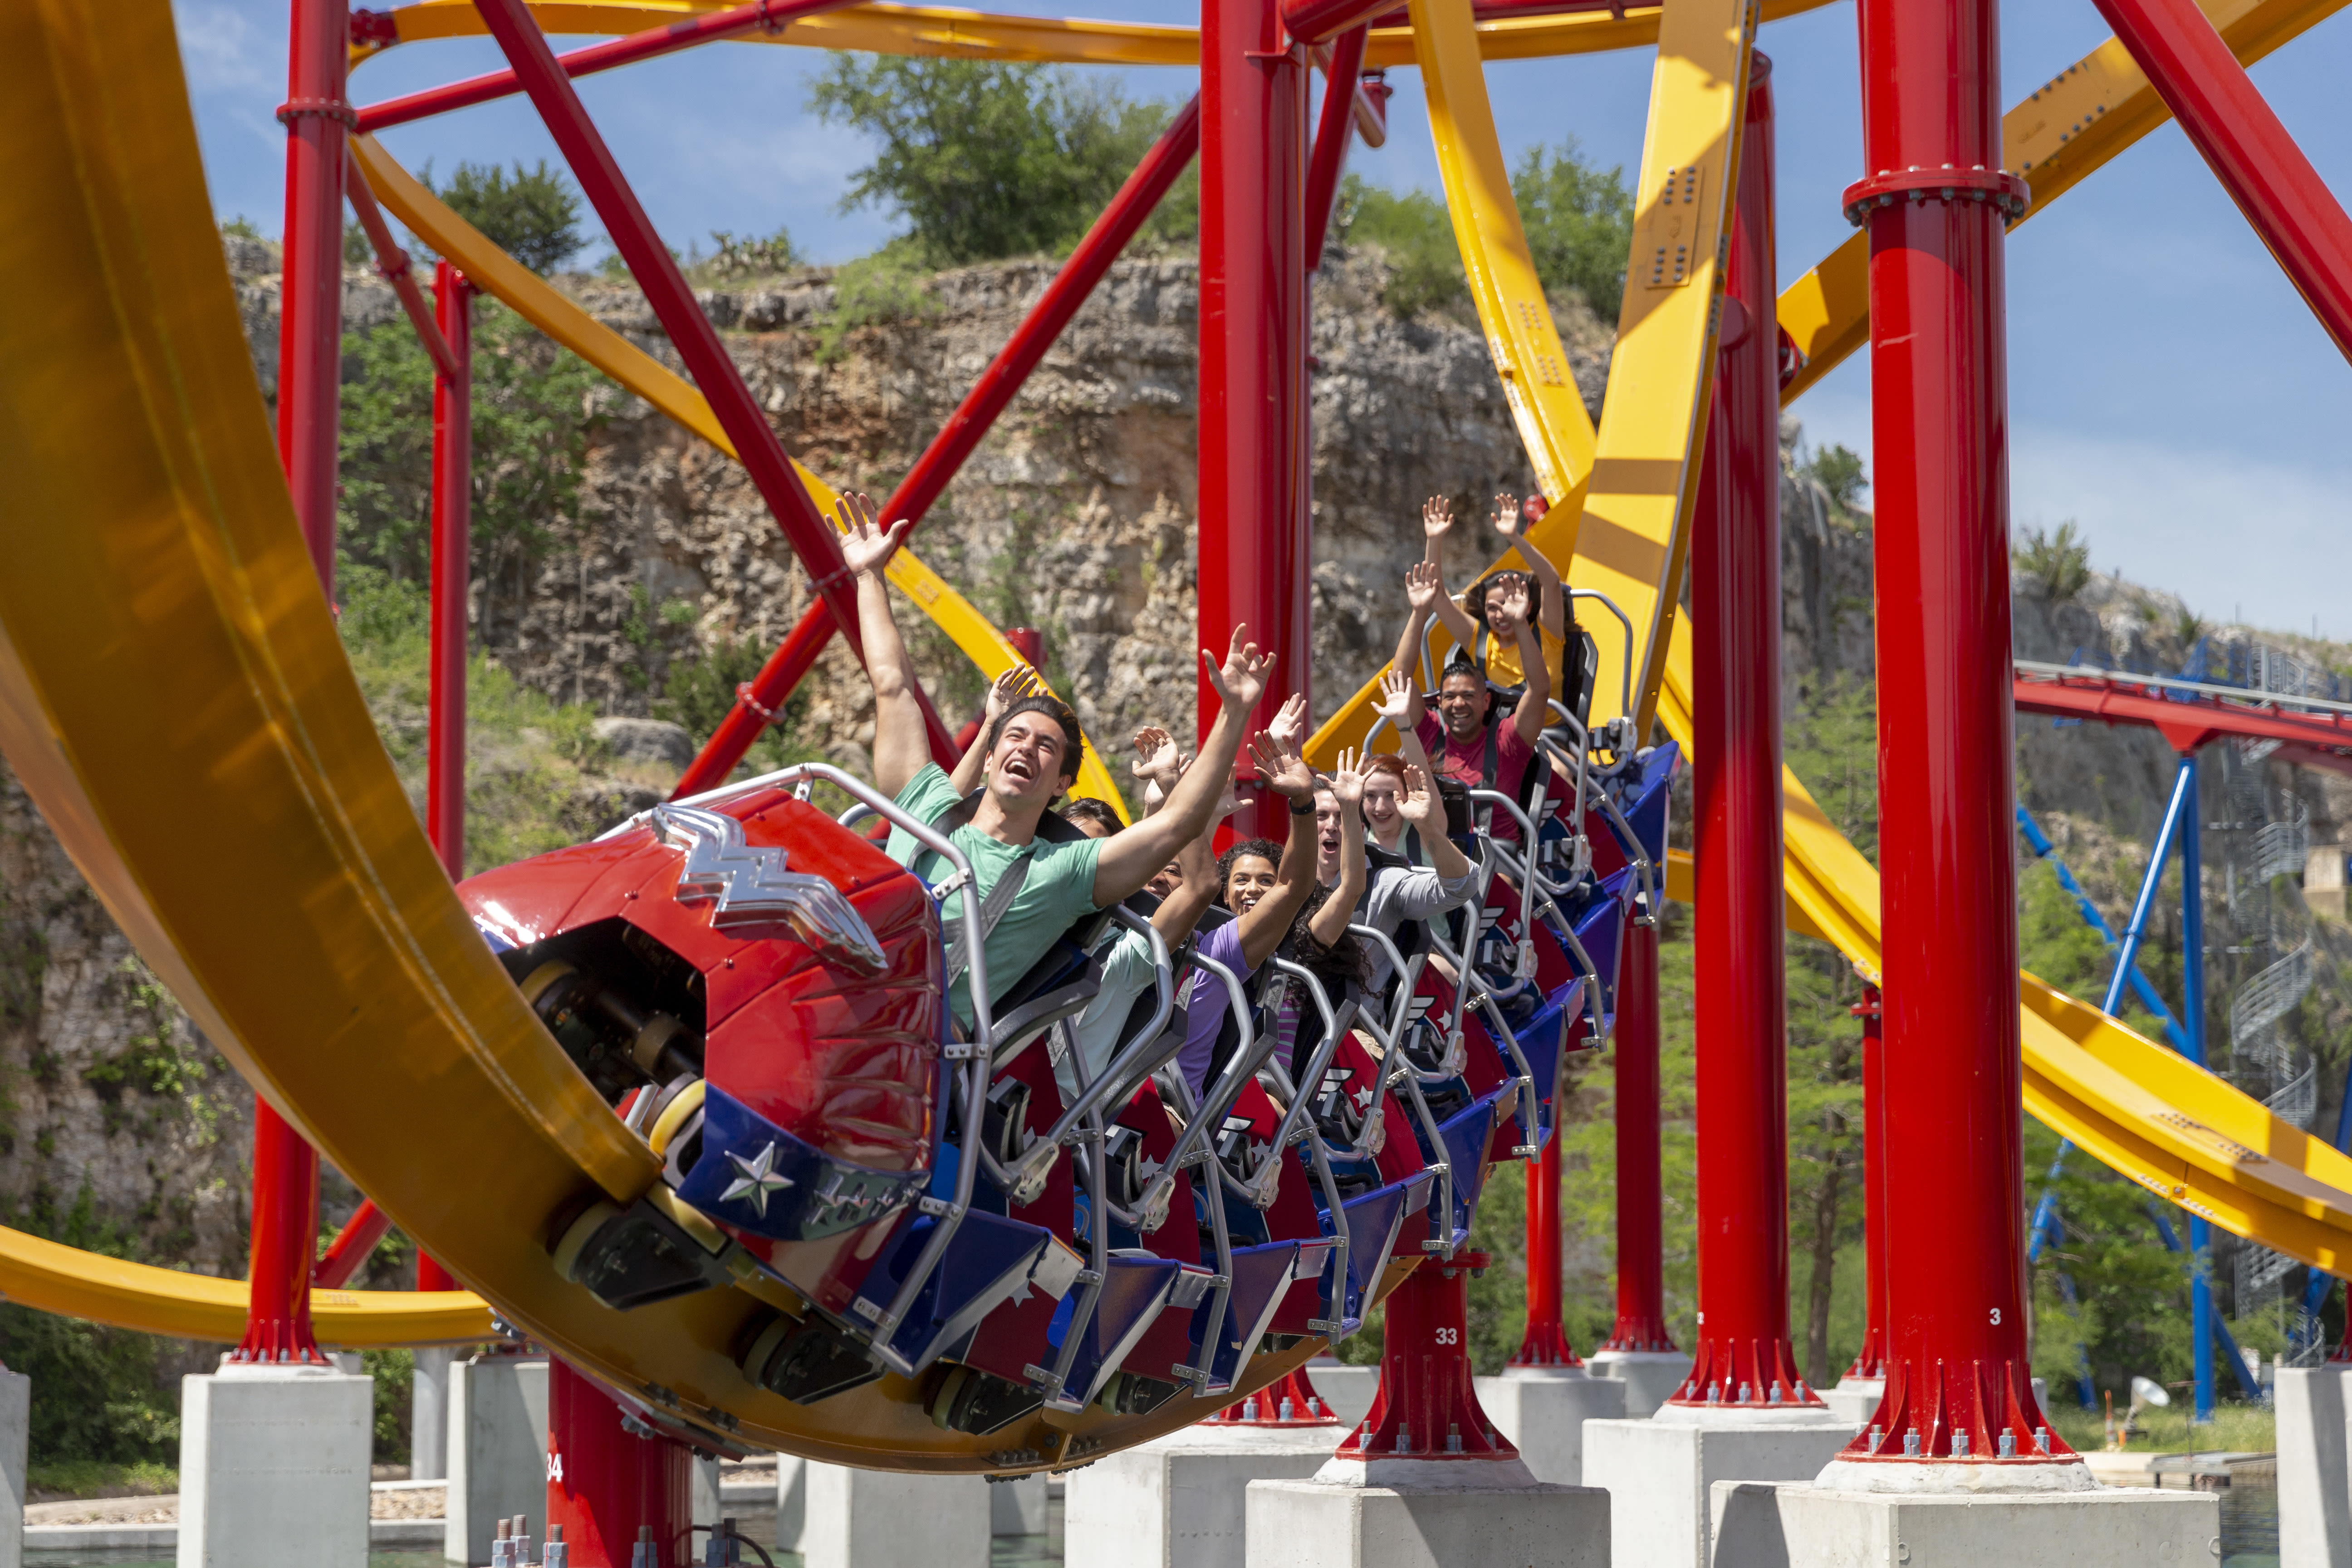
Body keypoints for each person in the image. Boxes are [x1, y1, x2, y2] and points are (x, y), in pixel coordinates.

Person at [843, 490, 1273, 1031]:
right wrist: (868, 577)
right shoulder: (928, 804)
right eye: (1015, 736)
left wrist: (1233, 715)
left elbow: (1178, 824)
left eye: (1044, 746)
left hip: (917, 1047)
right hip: (836, 992)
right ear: (993, 749)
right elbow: (892, 687)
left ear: (1061, 784)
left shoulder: (1062, 870)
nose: (1025, 747)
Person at [1173, 722, 1323, 1098]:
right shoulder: (1131, 935)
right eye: (1153, 871)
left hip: (1166, 1110)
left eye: (1173, 870)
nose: (1159, 878)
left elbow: (1293, 888)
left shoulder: (1215, 951)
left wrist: (1304, 804)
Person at [1390, 561, 1551, 839]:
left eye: (1468, 696)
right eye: (1450, 697)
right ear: (1439, 703)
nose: (1459, 704)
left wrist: (1520, 625)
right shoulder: (1428, 731)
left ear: (1487, 702)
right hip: (1432, 856)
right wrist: (1418, 612)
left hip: (1495, 860)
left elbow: (1539, 690)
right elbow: (1400, 678)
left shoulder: (1508, 740)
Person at [1417, 492, 1583, 704]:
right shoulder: (1481, 643)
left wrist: (1515, 538)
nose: (1502, 613)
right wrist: (1433, 540)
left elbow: (1551, 582)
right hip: (1498, 733)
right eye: (1492, 607)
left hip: (1546, 735)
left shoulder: (1547, 634)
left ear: (1528, 604)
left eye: (1508, 603)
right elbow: (1437, 595)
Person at [1343, 745, 1477, 995]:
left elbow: (1424, 789)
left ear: (1406, 795)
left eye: (1390, 795)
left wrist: (1405, 725)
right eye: (1371, 796)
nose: (1380, 807)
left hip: (1427, 948)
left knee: (1445, 973)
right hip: (1372, 948)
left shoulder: (1424, 831)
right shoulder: (1352, 836)